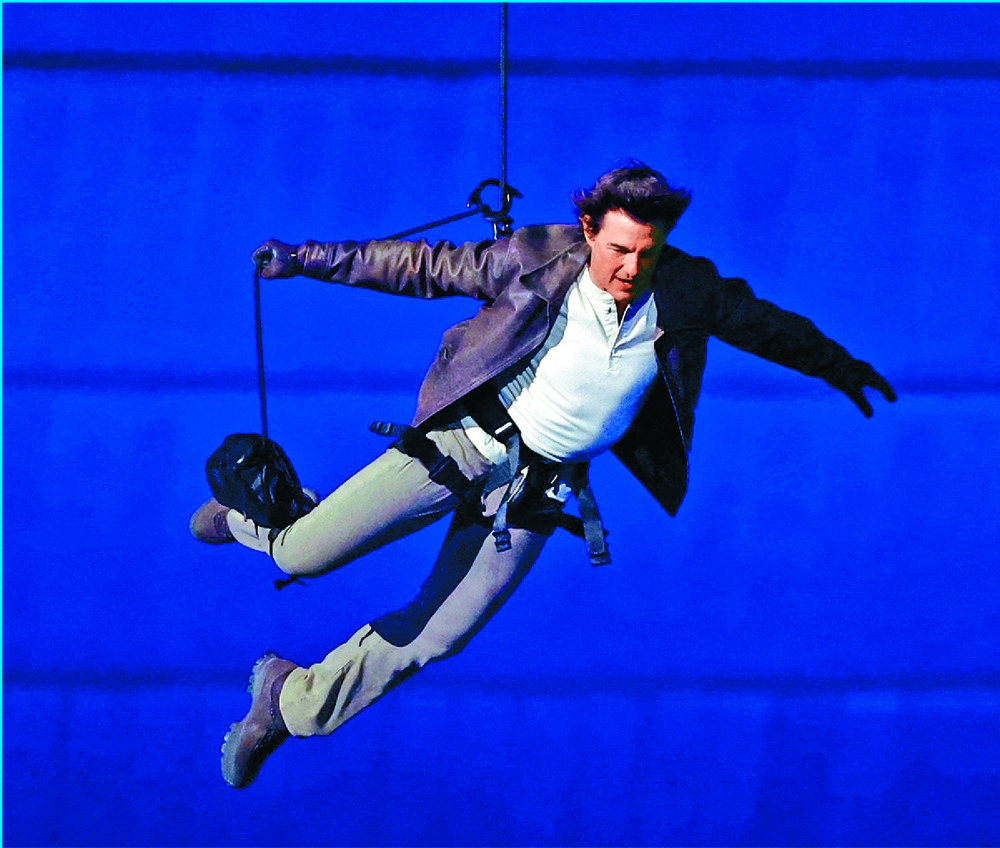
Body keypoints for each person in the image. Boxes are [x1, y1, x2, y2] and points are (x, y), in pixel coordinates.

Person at [190, 161, 895, 788]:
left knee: (442, 633)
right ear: (589, 229)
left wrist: (841, 367)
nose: (630, 269)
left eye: (646, 254)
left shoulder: (687, 288)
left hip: (537, 489)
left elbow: (770, 327)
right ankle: (243, 519)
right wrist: (306, 258)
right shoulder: (536, 256)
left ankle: (289, 701)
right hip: (463, 444)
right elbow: (422, 266)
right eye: (618, 249)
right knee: (303, 551)